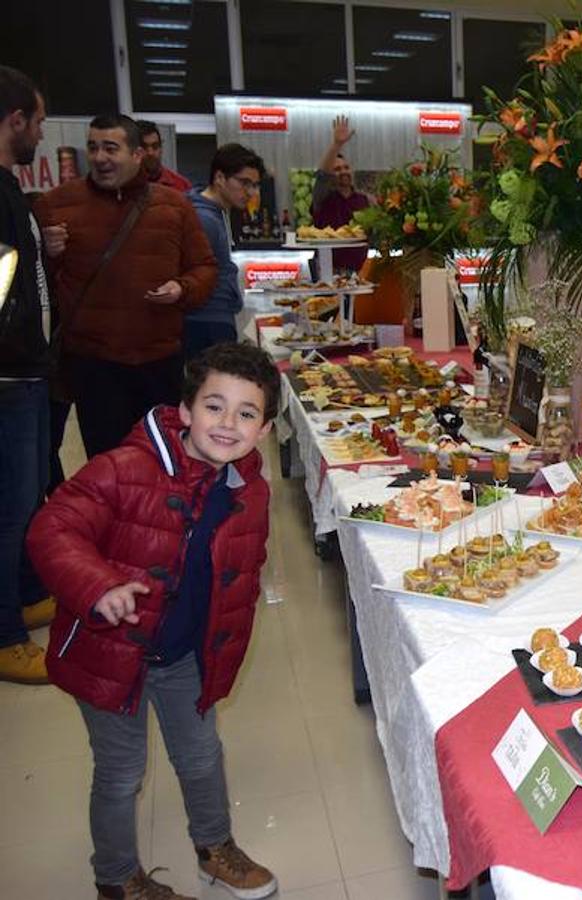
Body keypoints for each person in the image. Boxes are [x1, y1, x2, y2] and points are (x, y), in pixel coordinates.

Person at [28, 342, 282, 900]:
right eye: (214, 406)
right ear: (185, 410)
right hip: (108, 651)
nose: (227, 423)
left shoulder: (250, 489)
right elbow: (52, 529)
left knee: (201, 754)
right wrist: (98, 586)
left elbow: (242, 567)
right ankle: (117, 879)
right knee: (121, 773)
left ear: (264, 431)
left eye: (246, 413)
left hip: (184, 653)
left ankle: (215, 847)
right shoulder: (124, 468)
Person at [35, 113, 216, 459]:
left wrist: (182, 288)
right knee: (107, 462)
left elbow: (205, 267)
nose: (100, 157)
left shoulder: (174, 206)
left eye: (110, 148)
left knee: (165, 457)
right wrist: (46, 253)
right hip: (94, 365)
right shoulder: (56, 204)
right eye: (93, 147)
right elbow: (35, 285)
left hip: (158, 359)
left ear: (137, 155)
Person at [0, 65, 56, 684]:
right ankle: (5, 633)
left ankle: (22, 595)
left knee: (27, 498)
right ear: (15, 121)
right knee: (9, 510)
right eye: (38, 121)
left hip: (28, 372)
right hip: (8, 377)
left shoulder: (10, 189)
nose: (41, 133)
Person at [185, 143, 264, 359]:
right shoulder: (205, 219)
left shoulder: (216, 212)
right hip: (206, 323)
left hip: (214, 319)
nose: (250, 192)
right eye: (244, 183)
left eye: (255, 185)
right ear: (220, 178)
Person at [313, 114, 370, 272]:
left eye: (346, 167)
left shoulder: (364, 200)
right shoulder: (322, 197)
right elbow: (322, 175)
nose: (343, 172)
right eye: (337, 169)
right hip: (329, 271)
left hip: (360, 272)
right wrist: (337, 145)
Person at [136, 120, 191, 193]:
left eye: (155, 146)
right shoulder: (123, 184)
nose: (150, 153)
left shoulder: (181, 185)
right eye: (144, 147)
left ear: (161, 148)